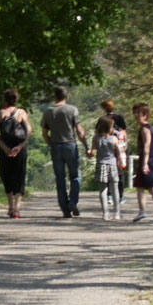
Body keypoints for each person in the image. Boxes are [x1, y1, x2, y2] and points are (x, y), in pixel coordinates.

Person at [39, 84, 87, 218]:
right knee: (75, 176)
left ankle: (65, 210)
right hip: (70, 145)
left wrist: (50, 143)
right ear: (67, 96)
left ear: (55, 97)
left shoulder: (48, 111)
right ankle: (73, 201)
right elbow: (79, 130)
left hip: (56, 146)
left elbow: (44, 133)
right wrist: (86, 146)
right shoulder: (72, 110)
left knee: (60, 179)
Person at [0, 87, 33, 219]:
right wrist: (20, 146)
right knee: (19, 177)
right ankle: (17, 209)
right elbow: (29, 131)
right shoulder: (22, 113)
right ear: (16, 100)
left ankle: (10, 207)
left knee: (6, 176)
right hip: (19, 150)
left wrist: (4, 148)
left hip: (5, 150)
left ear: (5, 99)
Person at [131, 102, 153, 222]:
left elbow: (147, 146)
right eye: (134, 113)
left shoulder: (145, 129)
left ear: (145, 115)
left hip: (150, 160)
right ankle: (143, 211)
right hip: (151, 159)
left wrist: (145, 163)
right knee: (140, 186)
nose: (135, 115)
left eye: (138, 113)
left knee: (152, 188)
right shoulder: (146, 128)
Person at [93, 112, 126, 220]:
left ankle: (105, 213)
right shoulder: (113, 139)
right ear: (108, 128)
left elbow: (92, 152)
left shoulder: (96, 138)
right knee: (114, 188)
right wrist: (121, 162)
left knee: (103, 190)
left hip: (101, 165)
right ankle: (117, 212)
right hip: (112, 165)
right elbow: (118, 152)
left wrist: (89, 152)